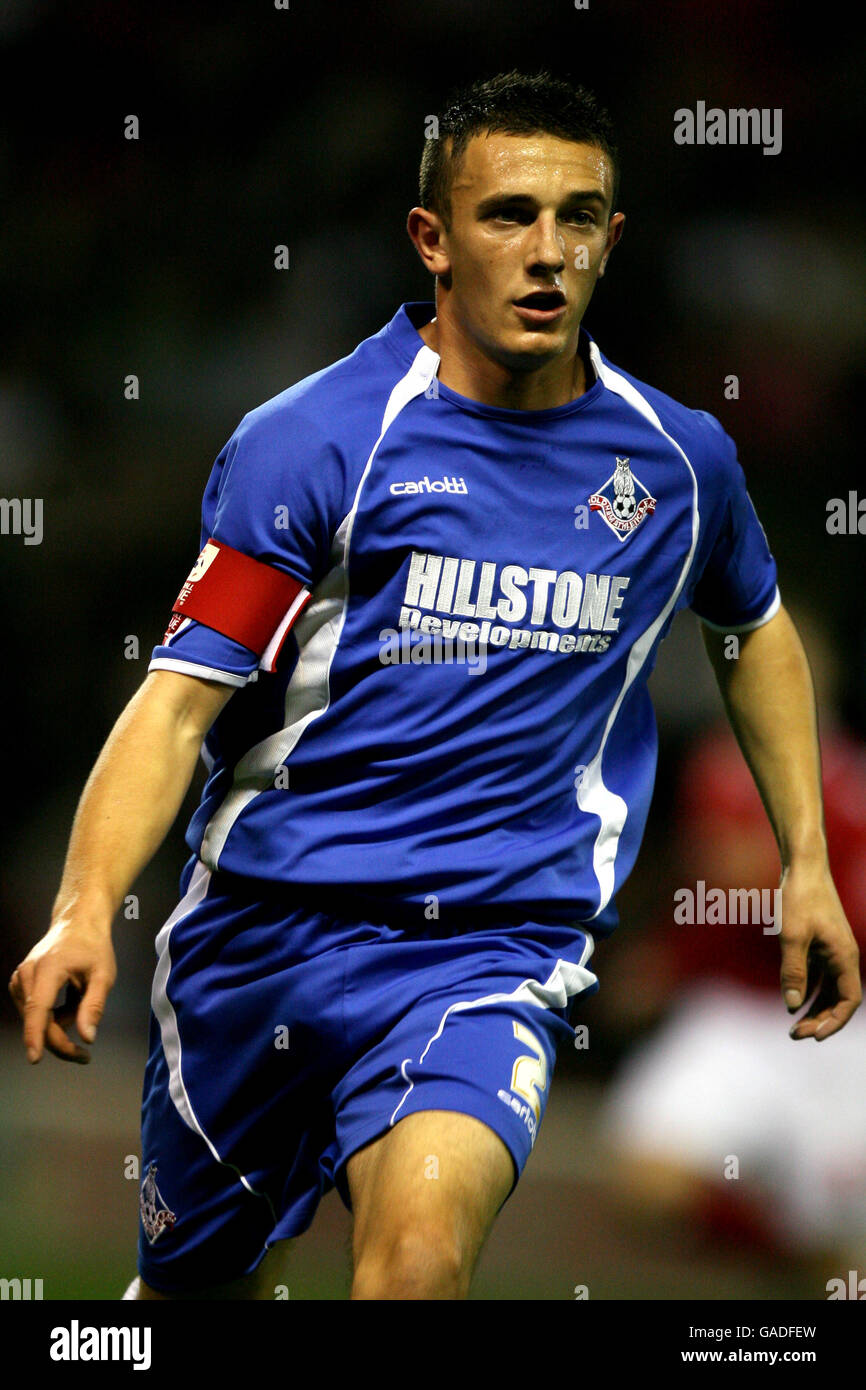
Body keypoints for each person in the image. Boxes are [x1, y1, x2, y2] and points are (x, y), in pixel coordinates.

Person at [9, 70, 860, 1301]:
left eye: (578, 218)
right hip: (264, 941)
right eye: (508, 214)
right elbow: (179, 698)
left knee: (416, 1261)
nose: (546, 251)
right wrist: (86, 904)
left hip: (483, 951)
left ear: (611, 241)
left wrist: (803, 863)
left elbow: (754, 626)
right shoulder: (313, 445)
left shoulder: (677, 463)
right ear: (432, 238)